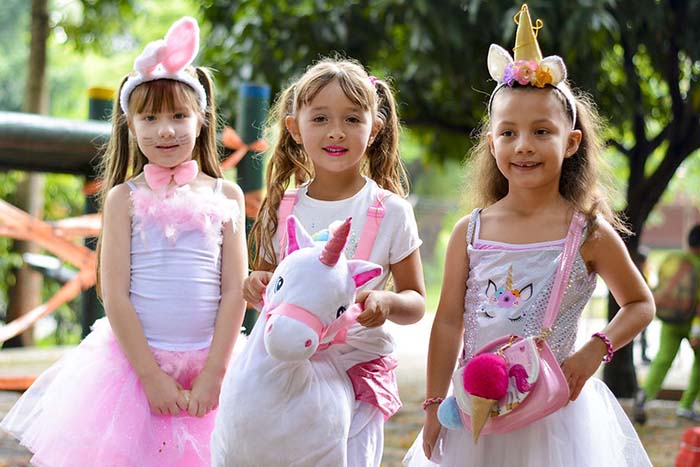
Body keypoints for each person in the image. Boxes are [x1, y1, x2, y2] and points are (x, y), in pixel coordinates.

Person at [403, 5, 654, 466]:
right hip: (476, 414)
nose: (524, 145)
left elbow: (640, 304)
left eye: (542, 131)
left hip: (557, 416)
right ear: (492, 141)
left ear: (571, 142)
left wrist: (592, 352)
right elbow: (447, 323)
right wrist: (435, 402)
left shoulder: (587, 233)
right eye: (508, 132)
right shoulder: (470, 232)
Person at [0, 17, 247, 466]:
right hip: (134, 369)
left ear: (201, 117)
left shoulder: (225, 194)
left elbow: (235, 290)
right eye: (149, 118)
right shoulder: (123, 199)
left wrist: (215, 372)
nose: (165, 130)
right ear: (130, 125)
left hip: (213, 365)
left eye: (178, 115)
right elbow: (115, 293)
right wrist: (150, 376)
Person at [219, 57, 426, 466]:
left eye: (352, 119)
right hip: (284, 370)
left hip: (355, 366)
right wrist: (255, 282)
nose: (336, 131)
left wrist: (387, 304)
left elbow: (416, 300)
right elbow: (266, 276)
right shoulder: (282, 206)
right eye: (320, 119)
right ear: (295, 128)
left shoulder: (391, 211)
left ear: (375, 128)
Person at [634, 224, 700, 423]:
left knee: (662, 359)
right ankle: (686, 405)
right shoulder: (697, 265)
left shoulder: (674, 259)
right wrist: (697, 331)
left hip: (670, 319)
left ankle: (645, 395)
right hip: (692, 323)